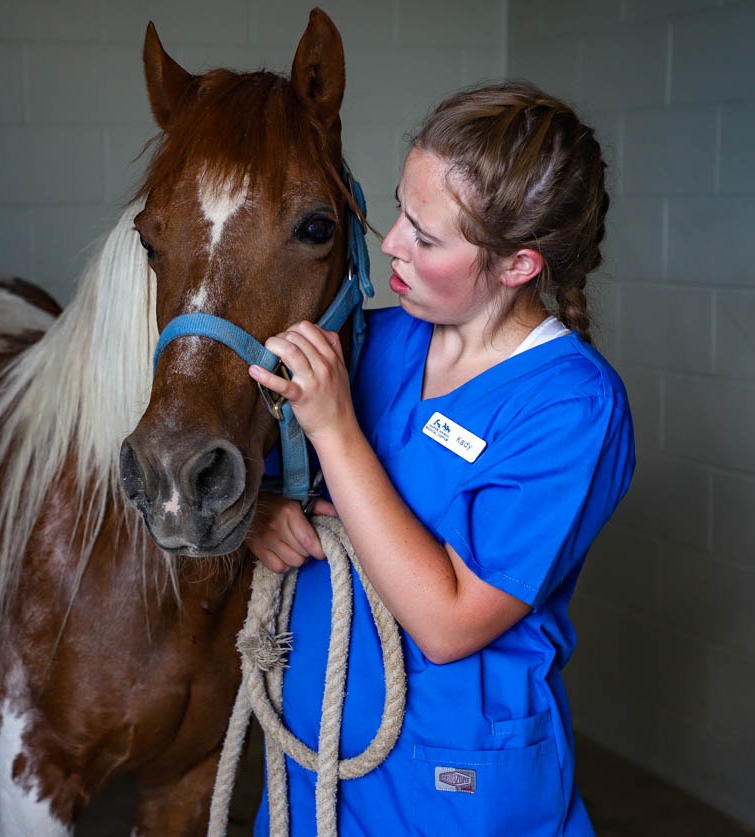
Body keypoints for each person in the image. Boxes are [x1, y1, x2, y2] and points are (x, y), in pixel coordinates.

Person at [245, 81, 635, 836]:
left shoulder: (570, 406)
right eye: (399, 211)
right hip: (314, 762)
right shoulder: (373, 341)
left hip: (450, 783)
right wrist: (263, 513)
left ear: (518, 265)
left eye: (426, 237)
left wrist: (335, 429)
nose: (391, 242)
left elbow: (450, 620)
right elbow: (262, 482)